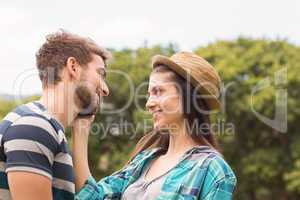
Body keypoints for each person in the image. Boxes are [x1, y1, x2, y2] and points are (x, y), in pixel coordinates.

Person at [73, 52, 237, 199]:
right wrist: (81, 127)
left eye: (158, 91)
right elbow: (92, 196)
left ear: (189, 98)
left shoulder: (212, 169)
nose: (149, 104)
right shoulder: (144, 161)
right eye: (149, 94)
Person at [0, 30, 110, 200]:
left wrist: (81, 130)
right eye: (100, 74)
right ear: (73, 67)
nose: (105, 89)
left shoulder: (43, 126)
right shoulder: (34, 127)